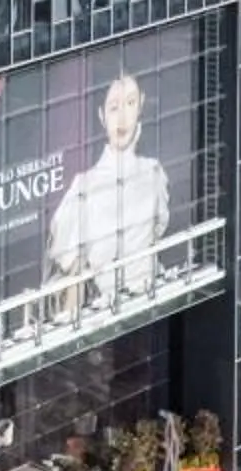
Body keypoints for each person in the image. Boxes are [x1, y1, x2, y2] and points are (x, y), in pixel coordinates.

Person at [44, 70, 171, 317]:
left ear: (141, 105)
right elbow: (72, 274)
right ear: (102, 115)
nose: (122, 118)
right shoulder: (83, 187)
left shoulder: (154, 172)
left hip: (155, 301)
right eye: (114, 108)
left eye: (130, 103)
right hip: (107, 314)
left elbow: (158, 232)